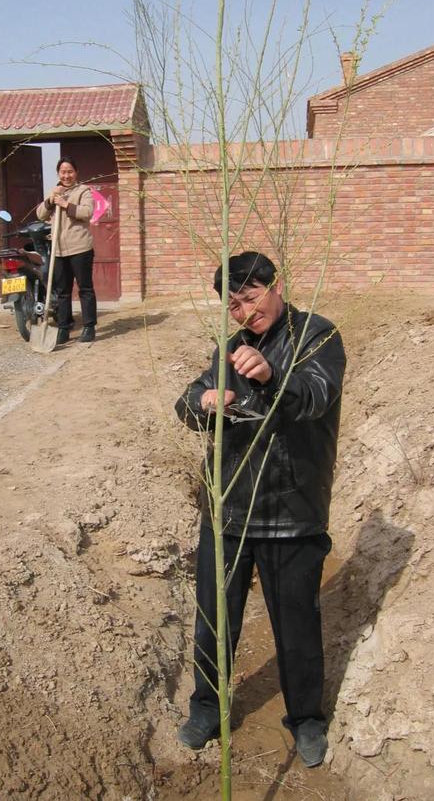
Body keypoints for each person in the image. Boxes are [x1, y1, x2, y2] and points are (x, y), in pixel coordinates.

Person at [175, 251, 346, 768]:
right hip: (227, 508)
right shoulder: (227, 349)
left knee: (296, 626)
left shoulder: (317, 336)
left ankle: (307, 720)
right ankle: (207, 708)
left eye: (251, 298)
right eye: (232, 304)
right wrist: (203, 403)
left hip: (290, 512)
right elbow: (187, 402)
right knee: (214, 620)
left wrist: (273, 375)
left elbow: (317, 395)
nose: (244, 312)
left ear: (277, 286)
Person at [36, 156, 97, 344]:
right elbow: (40, 214)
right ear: (58, 173)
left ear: (76, 173)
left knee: (85, 289)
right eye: (63, 172)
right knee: (62, 291)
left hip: (80, 248)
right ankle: (64, 327)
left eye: (70, 171)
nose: (66, 175)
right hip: (59, 250)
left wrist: (65, 205)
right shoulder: (54, 192)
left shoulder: (83, 191)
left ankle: (89, 327)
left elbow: (87, 213)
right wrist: (50, 200)